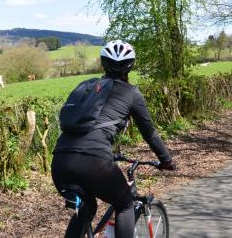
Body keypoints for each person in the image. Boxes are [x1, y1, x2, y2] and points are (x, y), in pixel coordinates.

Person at [51, 40, 176, 238]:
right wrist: (166, 160)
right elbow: (149, 133)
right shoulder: (131, 93)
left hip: (60, 161)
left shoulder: (87, 87)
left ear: (103, 63)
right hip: (94, 161)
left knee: (86, 209)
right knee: (125, 204)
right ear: (131, 65)